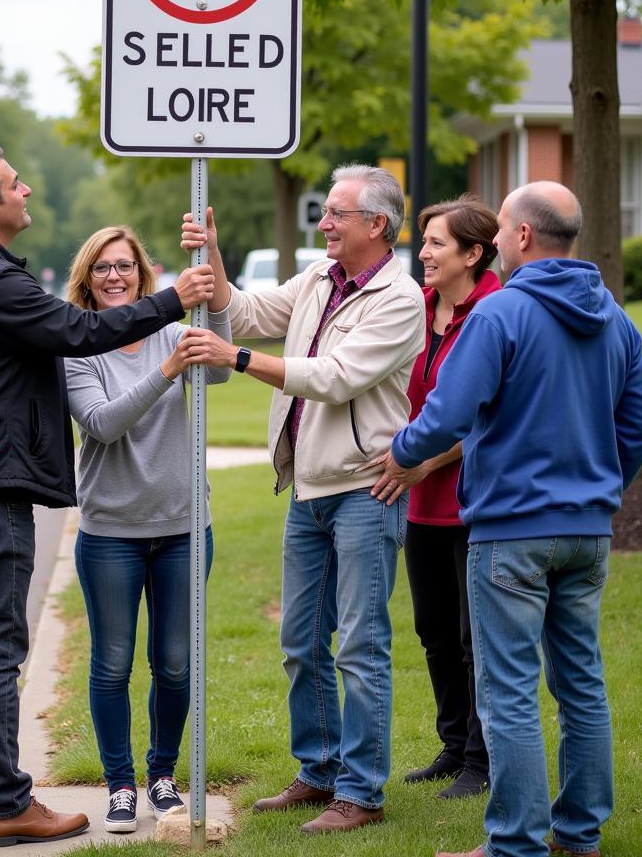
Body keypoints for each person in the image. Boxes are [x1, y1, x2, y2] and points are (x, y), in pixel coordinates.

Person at [0, 145, 215, 849]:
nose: (26, 187)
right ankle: (6, 803)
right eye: (15, 183)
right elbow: (83, 332)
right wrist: (172, 299)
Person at [386, 182, 642, 857]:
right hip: (588, 532)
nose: (498, 241)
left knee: (507, 692)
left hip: (511, 533)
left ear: (524, 237)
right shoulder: (616, 319)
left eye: (502, 230)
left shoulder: (499, 314)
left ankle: (514, 844)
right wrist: (598, 490)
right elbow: (640, 427)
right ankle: (578, 834)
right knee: (581, 684)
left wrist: (402, 450)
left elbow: (445, 415)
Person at [179, 164, 425, 835]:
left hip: (363, 494)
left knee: (362, 646)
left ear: (376, 224)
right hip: (309, 490)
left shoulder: (400, 298)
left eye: (336, 214)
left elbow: (335, 378)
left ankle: (362, 793)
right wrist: (213, 250)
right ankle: (318, 771)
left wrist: (234, 360)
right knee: (301, 641)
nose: (323, 223)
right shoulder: (319, 278)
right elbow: (249, 311)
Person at [64, 226, 232, 833]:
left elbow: (216, 374)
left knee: (176, 664)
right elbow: (102, 424)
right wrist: (165, 369)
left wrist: (213, 290)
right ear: (87, 278)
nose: (115, 277)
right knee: (112, 664)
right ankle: (119, 787)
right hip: (111, 530)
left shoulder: (173, 327)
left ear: (142, 274)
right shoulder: (77, 343)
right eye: (103, 268)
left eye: (125, 267)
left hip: (185, 527)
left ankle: (161, 775)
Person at [371, 196, 500, 800]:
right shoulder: (417, 310)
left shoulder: (495, 311)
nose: (421, 253)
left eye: (436, 244)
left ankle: (483, 758)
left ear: (473, 253)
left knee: (477, 637)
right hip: (420, 501)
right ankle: (453, 745)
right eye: (421, 242)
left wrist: (423, 462)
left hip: (475, 500)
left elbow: (483, 414)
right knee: (434, 629)